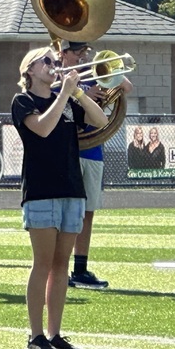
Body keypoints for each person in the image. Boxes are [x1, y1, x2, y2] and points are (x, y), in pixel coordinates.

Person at [12, 46, 112, 349]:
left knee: (61, 265)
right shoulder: (23, 101)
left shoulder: (68, 99)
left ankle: (55, 334)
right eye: (47, 61)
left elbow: (101, 120)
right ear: (29, 69)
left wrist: (79, 95)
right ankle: (35, 335)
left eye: (55, 62)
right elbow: (41, 128)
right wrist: (64, 93)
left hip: (71, 187)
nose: (53, 65)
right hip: (42, 189)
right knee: (42, 263)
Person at [57, 40, 134, 290]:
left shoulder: (92, 72)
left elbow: (127, 86)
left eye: (85, 52)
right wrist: (81, 94)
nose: (83, 56)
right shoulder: (56, 77)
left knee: (87, 211)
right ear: (64, 53)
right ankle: (60, 267)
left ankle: (80, 268)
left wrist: (109, 72)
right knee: (66, 210)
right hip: (67, 148)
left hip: (93, 149)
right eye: (78, 52)